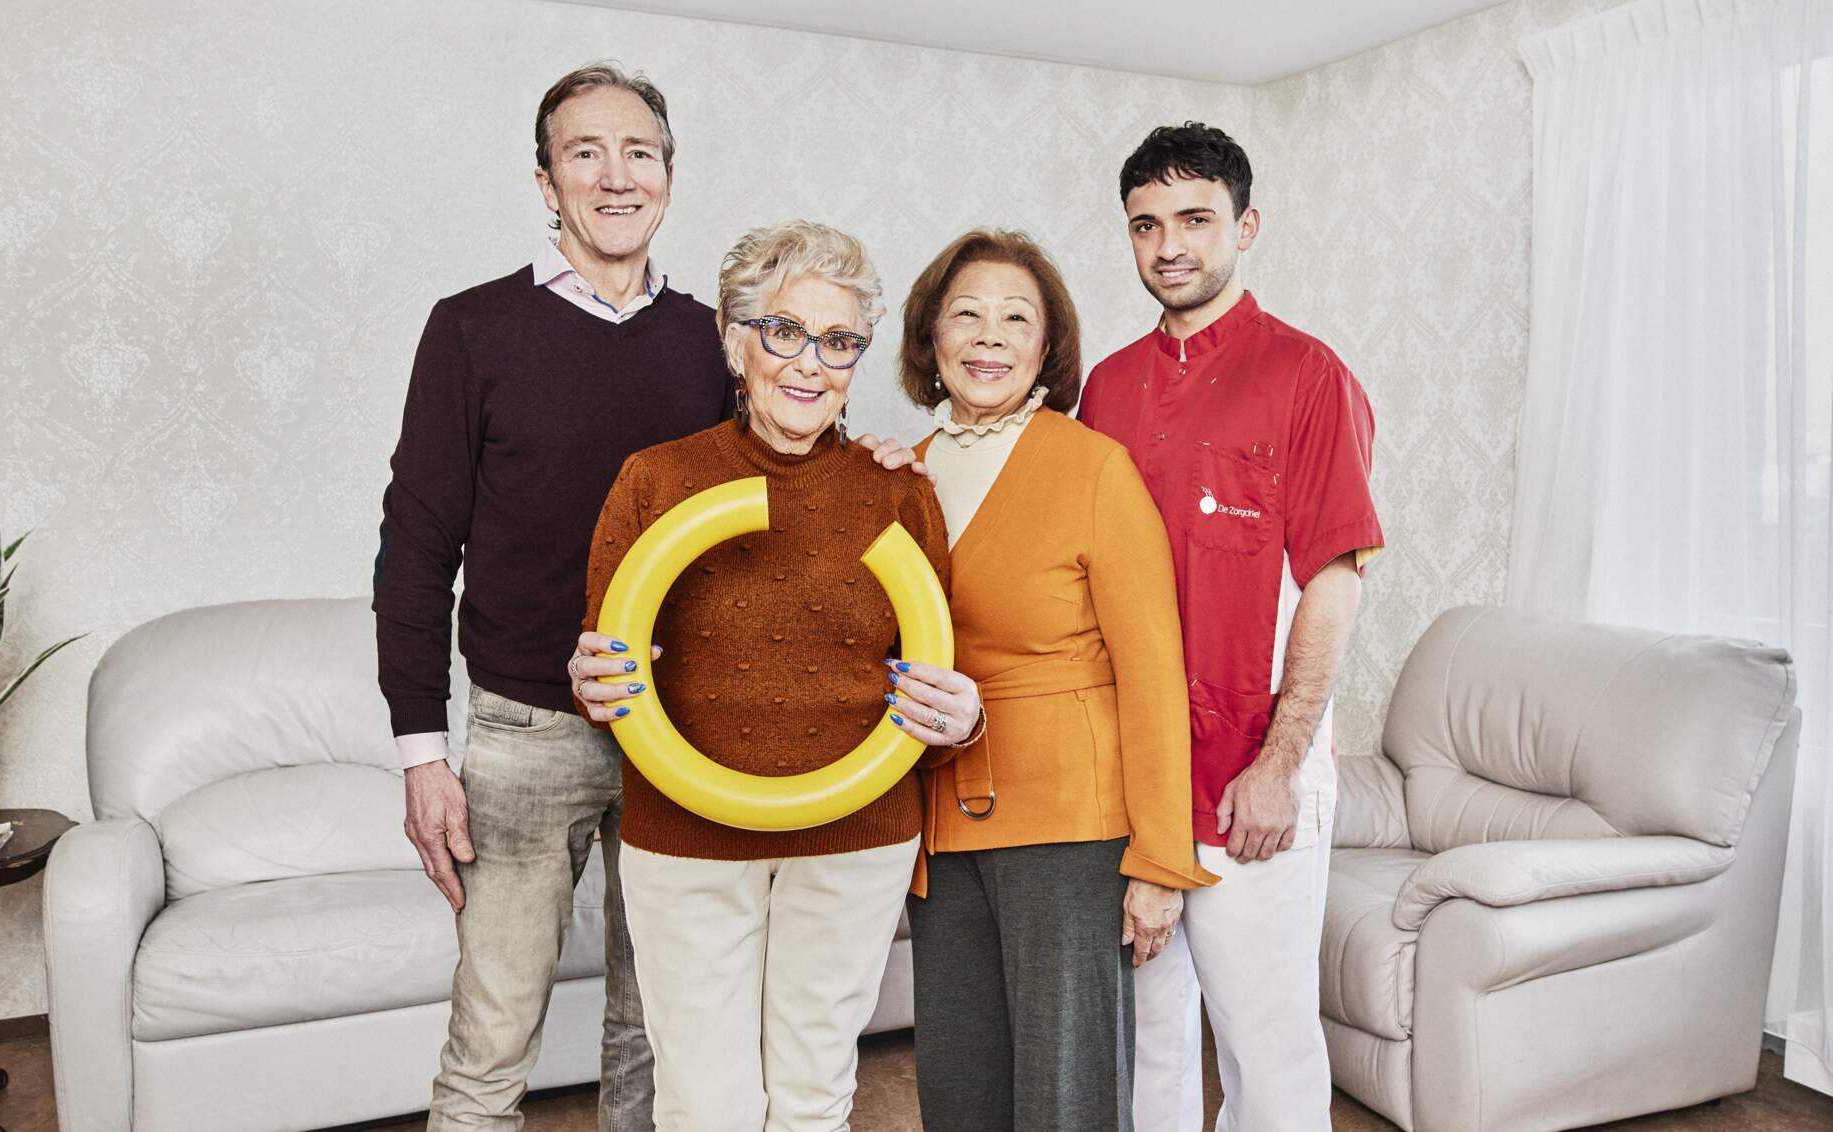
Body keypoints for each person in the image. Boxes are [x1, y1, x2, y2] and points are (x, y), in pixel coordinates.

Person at [373, 63, 731, 1132]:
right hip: (525, 732)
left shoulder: (718, 341)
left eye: (638, 153)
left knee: (654, 1037)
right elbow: (415, 546)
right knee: (489, 1042)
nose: (616, 176)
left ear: (667, 177)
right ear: (546, 182)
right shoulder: (470, 329)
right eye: (586, 153)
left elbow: (785, 498)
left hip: (679, 734)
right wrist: (421, 755)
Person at [565, 220, 984, 1132]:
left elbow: (934, 669)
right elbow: (608, 672)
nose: (809, 364)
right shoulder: (656, 481)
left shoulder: (896, 489)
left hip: (854, 831)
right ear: (734, 340)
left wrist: (960, 718)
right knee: (703, 1105)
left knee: (811, 1097)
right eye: (783, 331)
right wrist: (590, 684)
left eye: (838, 341)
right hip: (687, 830)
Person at [1078, 122, 1384, 1132]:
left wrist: (1279, 763)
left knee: (1265, 1043)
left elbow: (1332, 582)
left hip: (1252, 772)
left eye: (1194, 219)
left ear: (1243, 227)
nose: (1168, 245)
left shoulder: (1308, 375)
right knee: (1146, 1041)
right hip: (1136, 774)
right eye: (1145, 225)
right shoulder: (1104, 388)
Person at [892, 229, 1220, 1132]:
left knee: (1064, 1100)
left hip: (1070, 831)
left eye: (1015, 320)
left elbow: (1152, 675)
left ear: (1046, 347)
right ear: (930, 336)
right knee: (959, 1092)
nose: (988, 338)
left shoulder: (1091, 467)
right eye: (966, 315)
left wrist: (1158, 863)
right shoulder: (900, 472)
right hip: (938, 825)